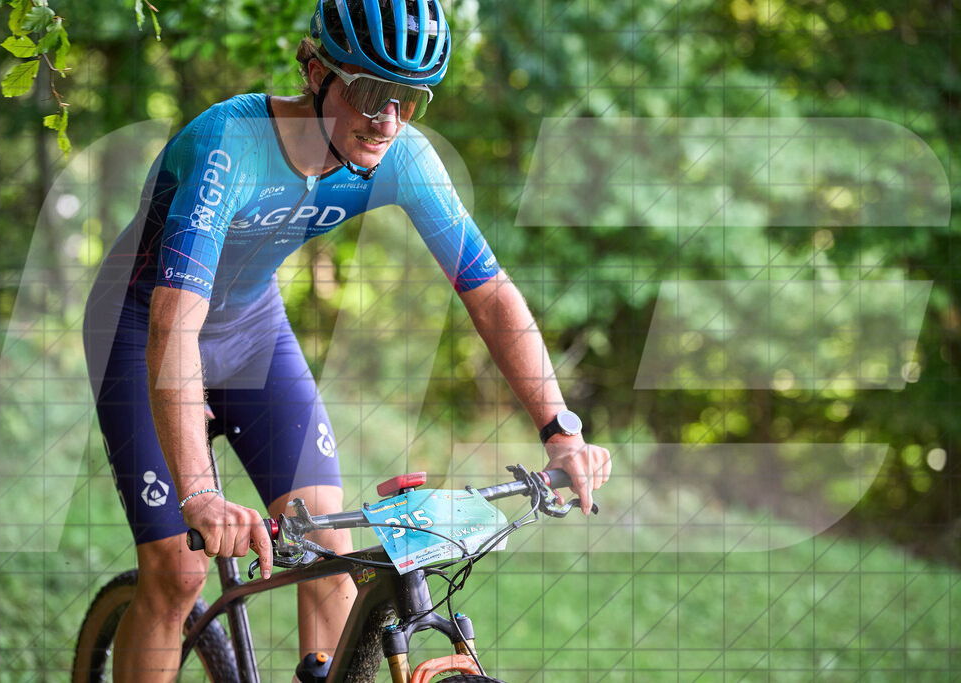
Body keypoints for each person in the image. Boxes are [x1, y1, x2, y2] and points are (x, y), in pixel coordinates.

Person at [82, 0, 612, 680]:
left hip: (250, 329)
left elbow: (490, 293)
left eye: (409, 100)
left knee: (330, 546)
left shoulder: (402, 157)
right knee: (179, 570)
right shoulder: (228, 144)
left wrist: (559, 425)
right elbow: (171, 323)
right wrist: (199, 496)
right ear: (313, 71)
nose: (385, 119)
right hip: (138, 329)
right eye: (368, 91)